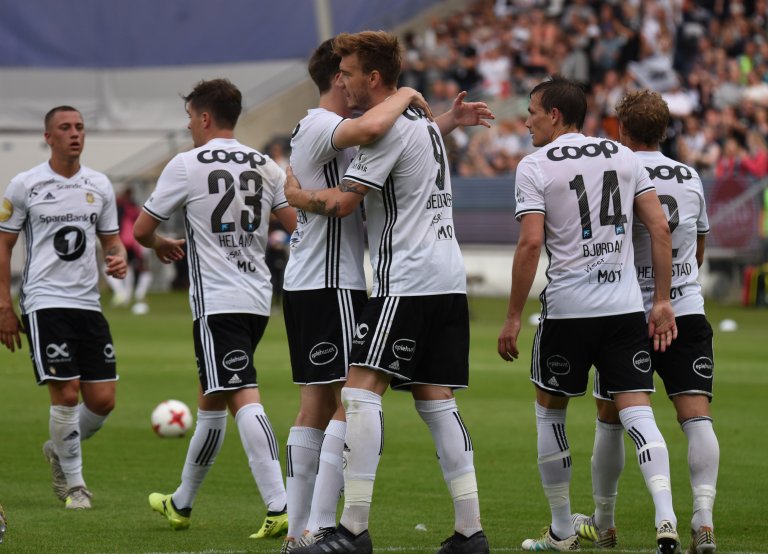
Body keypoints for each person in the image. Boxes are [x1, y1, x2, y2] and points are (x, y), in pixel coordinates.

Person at [282, 38, 493, 553]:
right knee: (434, 398)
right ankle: (471, 532)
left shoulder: (390, 127)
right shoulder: (424, 128)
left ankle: (351, 530)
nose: (346, 81)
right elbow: (404, 141)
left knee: (356, 394)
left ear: (373, 79)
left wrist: (290, 194)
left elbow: (343, 203)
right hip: (449, 278)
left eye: (351, 72)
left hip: (408, 279)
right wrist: (446, 117)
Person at [496, 76, 681, 553]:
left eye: (533, 110)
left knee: (550, 414)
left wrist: (514, 316)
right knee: (638, 414)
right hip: (622, 310)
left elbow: (532, 242)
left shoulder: (534, 165)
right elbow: (659, 228)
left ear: (555, 114)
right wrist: (661, 300)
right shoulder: (624, 157)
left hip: (567, 312)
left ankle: (561, 530)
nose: (527, 119)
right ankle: (666, 518)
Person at [134, 78, 296, 539]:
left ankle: (280, 504)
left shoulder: (186, 164)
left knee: (241, 392)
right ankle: (181, 502)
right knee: (213, 399)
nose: (188, 127)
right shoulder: (265, 164)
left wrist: (160, 242)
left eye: (189, 118)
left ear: (205, 117)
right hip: (257, 297)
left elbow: (143, 229)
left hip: (217, 302)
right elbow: (295, 225)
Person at [571, 90, 718, 554]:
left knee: (610, 418)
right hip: (685, 310)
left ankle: (606, 523)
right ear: (665, 129)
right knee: (696, 418)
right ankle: (704, 520)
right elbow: (697, 248)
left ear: (622, 130)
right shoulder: (691, 177)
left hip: (629, 312)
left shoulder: (619, 169)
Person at [0, 105, 128, 510]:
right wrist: (4, 304)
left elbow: (111, 240)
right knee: (67, 393)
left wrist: (118, 256)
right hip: (44, 301)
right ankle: (75, 486)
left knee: (103, 400)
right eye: (65, 128)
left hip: (88, 304)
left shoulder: (100, 185)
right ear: (48, 137)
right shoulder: (25, 185)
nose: (75, 134)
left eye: (80, 127)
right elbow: (3, 245)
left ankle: (59, 448)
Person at [107, 186, 152, 314]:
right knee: (131, 268)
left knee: (114, 266)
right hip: (135, 243)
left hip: (126, 242)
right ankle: (130, 294)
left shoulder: (122, 207)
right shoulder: (134, 209)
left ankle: (124, 294)